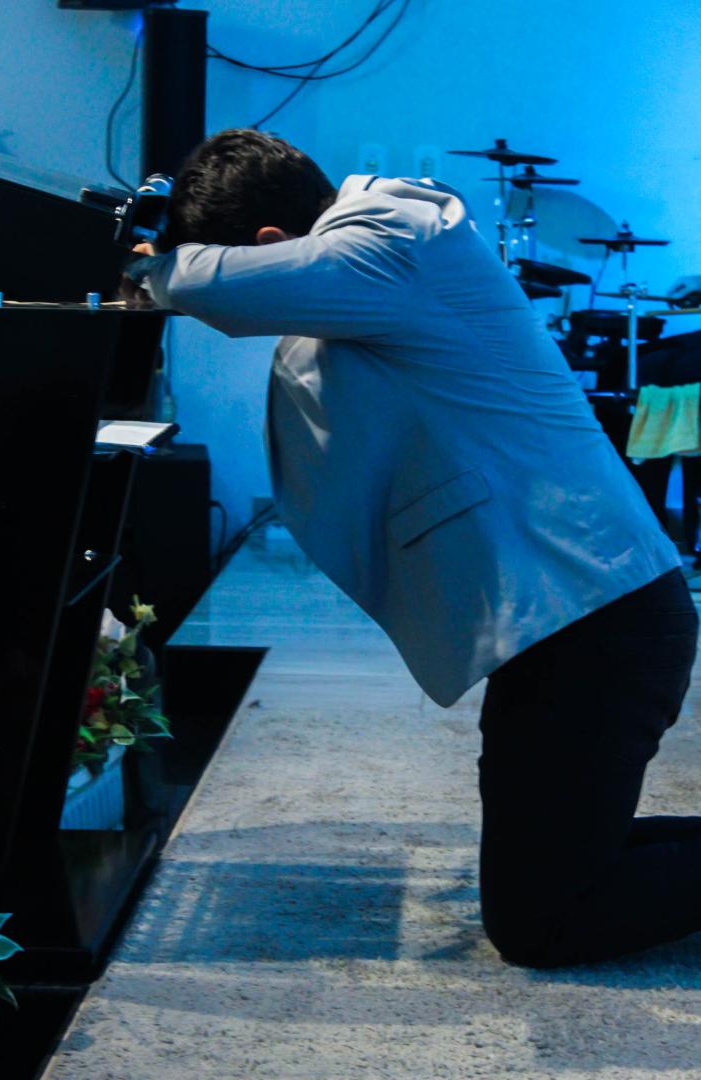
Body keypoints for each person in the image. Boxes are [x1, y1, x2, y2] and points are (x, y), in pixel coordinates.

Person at [126, 128, 700, 968]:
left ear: (270, 245)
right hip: (563, 619)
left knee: (542, 925)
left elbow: (225, 292)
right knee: (548, 873)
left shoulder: (399, 234)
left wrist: (148, 265)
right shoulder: (373, 268)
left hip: (598, 620)